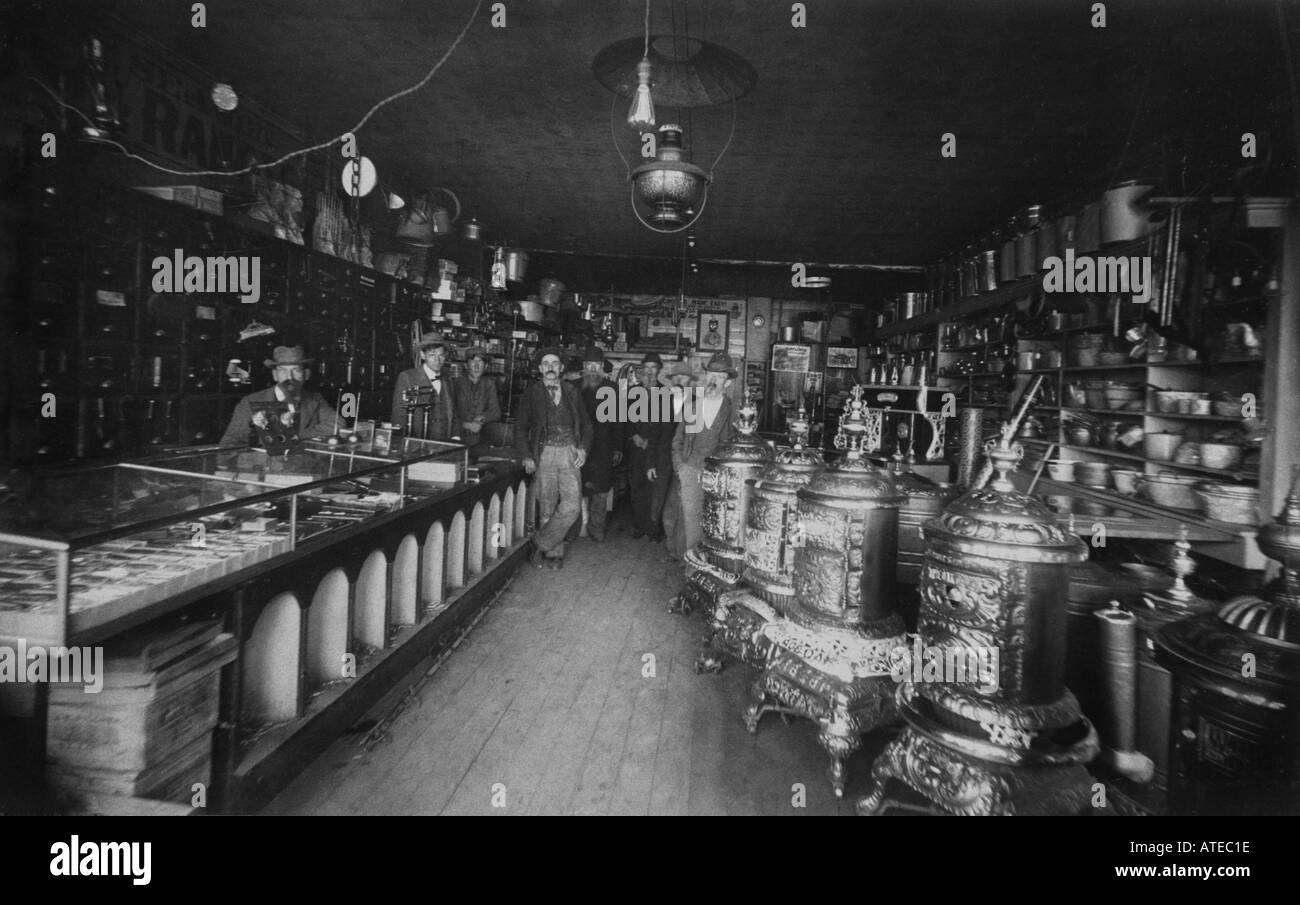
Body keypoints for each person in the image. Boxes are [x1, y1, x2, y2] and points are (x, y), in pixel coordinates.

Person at [513, 348, 592, 569]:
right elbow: (520, 428)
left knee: (572, 506)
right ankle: (554, 554)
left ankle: (539, 542)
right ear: (540, 368)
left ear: (561, 368)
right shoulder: (531, 393)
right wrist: (526, 455)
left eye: (554, 363)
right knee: (547, 505)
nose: (550, 367)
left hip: (569, 452)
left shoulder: (572, 392)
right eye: (545, 363)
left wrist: (583, 449)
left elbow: (586, 425)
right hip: (544, 452)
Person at [671, 352, 737, 556]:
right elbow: (677, 440)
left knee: (714, 521)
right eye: (711, 374)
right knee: (691, 520)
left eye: (720, 377)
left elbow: (735, 446)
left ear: (727, 383)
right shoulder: (691, 406)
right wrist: (680, 466)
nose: (713, 380)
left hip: (718, 476)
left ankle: (706, 566)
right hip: (690, 469)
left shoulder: (732, 410)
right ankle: (693, 571)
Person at [219, 345, 340, 447]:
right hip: (264, 470)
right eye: (283, 371)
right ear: (275, 375)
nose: (289, 377)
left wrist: (293, 436)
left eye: (296, 370)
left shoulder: (315, 399)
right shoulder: (250, 401)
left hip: (303, 469)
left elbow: (337, 424)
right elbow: (229, 445)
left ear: (306, 374)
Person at [567, 346, 623, 542]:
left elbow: (618, 421)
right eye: (589, 365)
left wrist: (618, 447)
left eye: (596, 365)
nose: (592, 368)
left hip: (603, 448)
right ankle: (577, 528)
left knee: (600, 490)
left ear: (602, 367)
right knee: (576, 488)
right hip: (577, 446)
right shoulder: (572, 387)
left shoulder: (612, 389)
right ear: (583, 367)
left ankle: (596, 529)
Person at [626, 352, 671, 541]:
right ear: (642, 370)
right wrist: (634, 435)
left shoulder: (666, 393)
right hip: (636, 447)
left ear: (659, 370)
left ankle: (653, 528)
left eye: (654, 368)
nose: (650, 372)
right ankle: (639, 525)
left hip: (657, 448)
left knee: (656, 489)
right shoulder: (632, 392)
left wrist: (651, 442)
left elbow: (667, 423)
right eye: (647, 368)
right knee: (637, 487)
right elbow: (624, 418)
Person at [659, 360, 697, 559]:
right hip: (664, 461)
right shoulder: (662, 401)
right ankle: (672, 548)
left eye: (684, 377)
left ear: (691, 381)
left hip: (685, 462)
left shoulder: (697, 403)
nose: (679, 380)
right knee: (666, 510)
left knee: (681, 510)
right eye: (676, 378)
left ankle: (681, 552)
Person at [392, 338, 458, 440]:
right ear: (423, 355)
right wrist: (401, 442)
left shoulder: (448, 379)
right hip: (418, 441)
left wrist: (455, 437)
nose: (437, 360)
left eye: (441, 355)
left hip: (444, 442)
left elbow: (453, 411)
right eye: (432, 355)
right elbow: (400, 413)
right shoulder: (409, 378)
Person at [453, 347, 502, 446]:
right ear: (466, 365)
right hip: (457, 437)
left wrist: (481, 418)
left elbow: (496, 411)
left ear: (486, 366)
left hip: (481, 439)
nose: (476, 366)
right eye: (472, 362)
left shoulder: (489, 384)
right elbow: (449, 414)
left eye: (480, 362)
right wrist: (466, 425)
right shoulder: (456, 384)